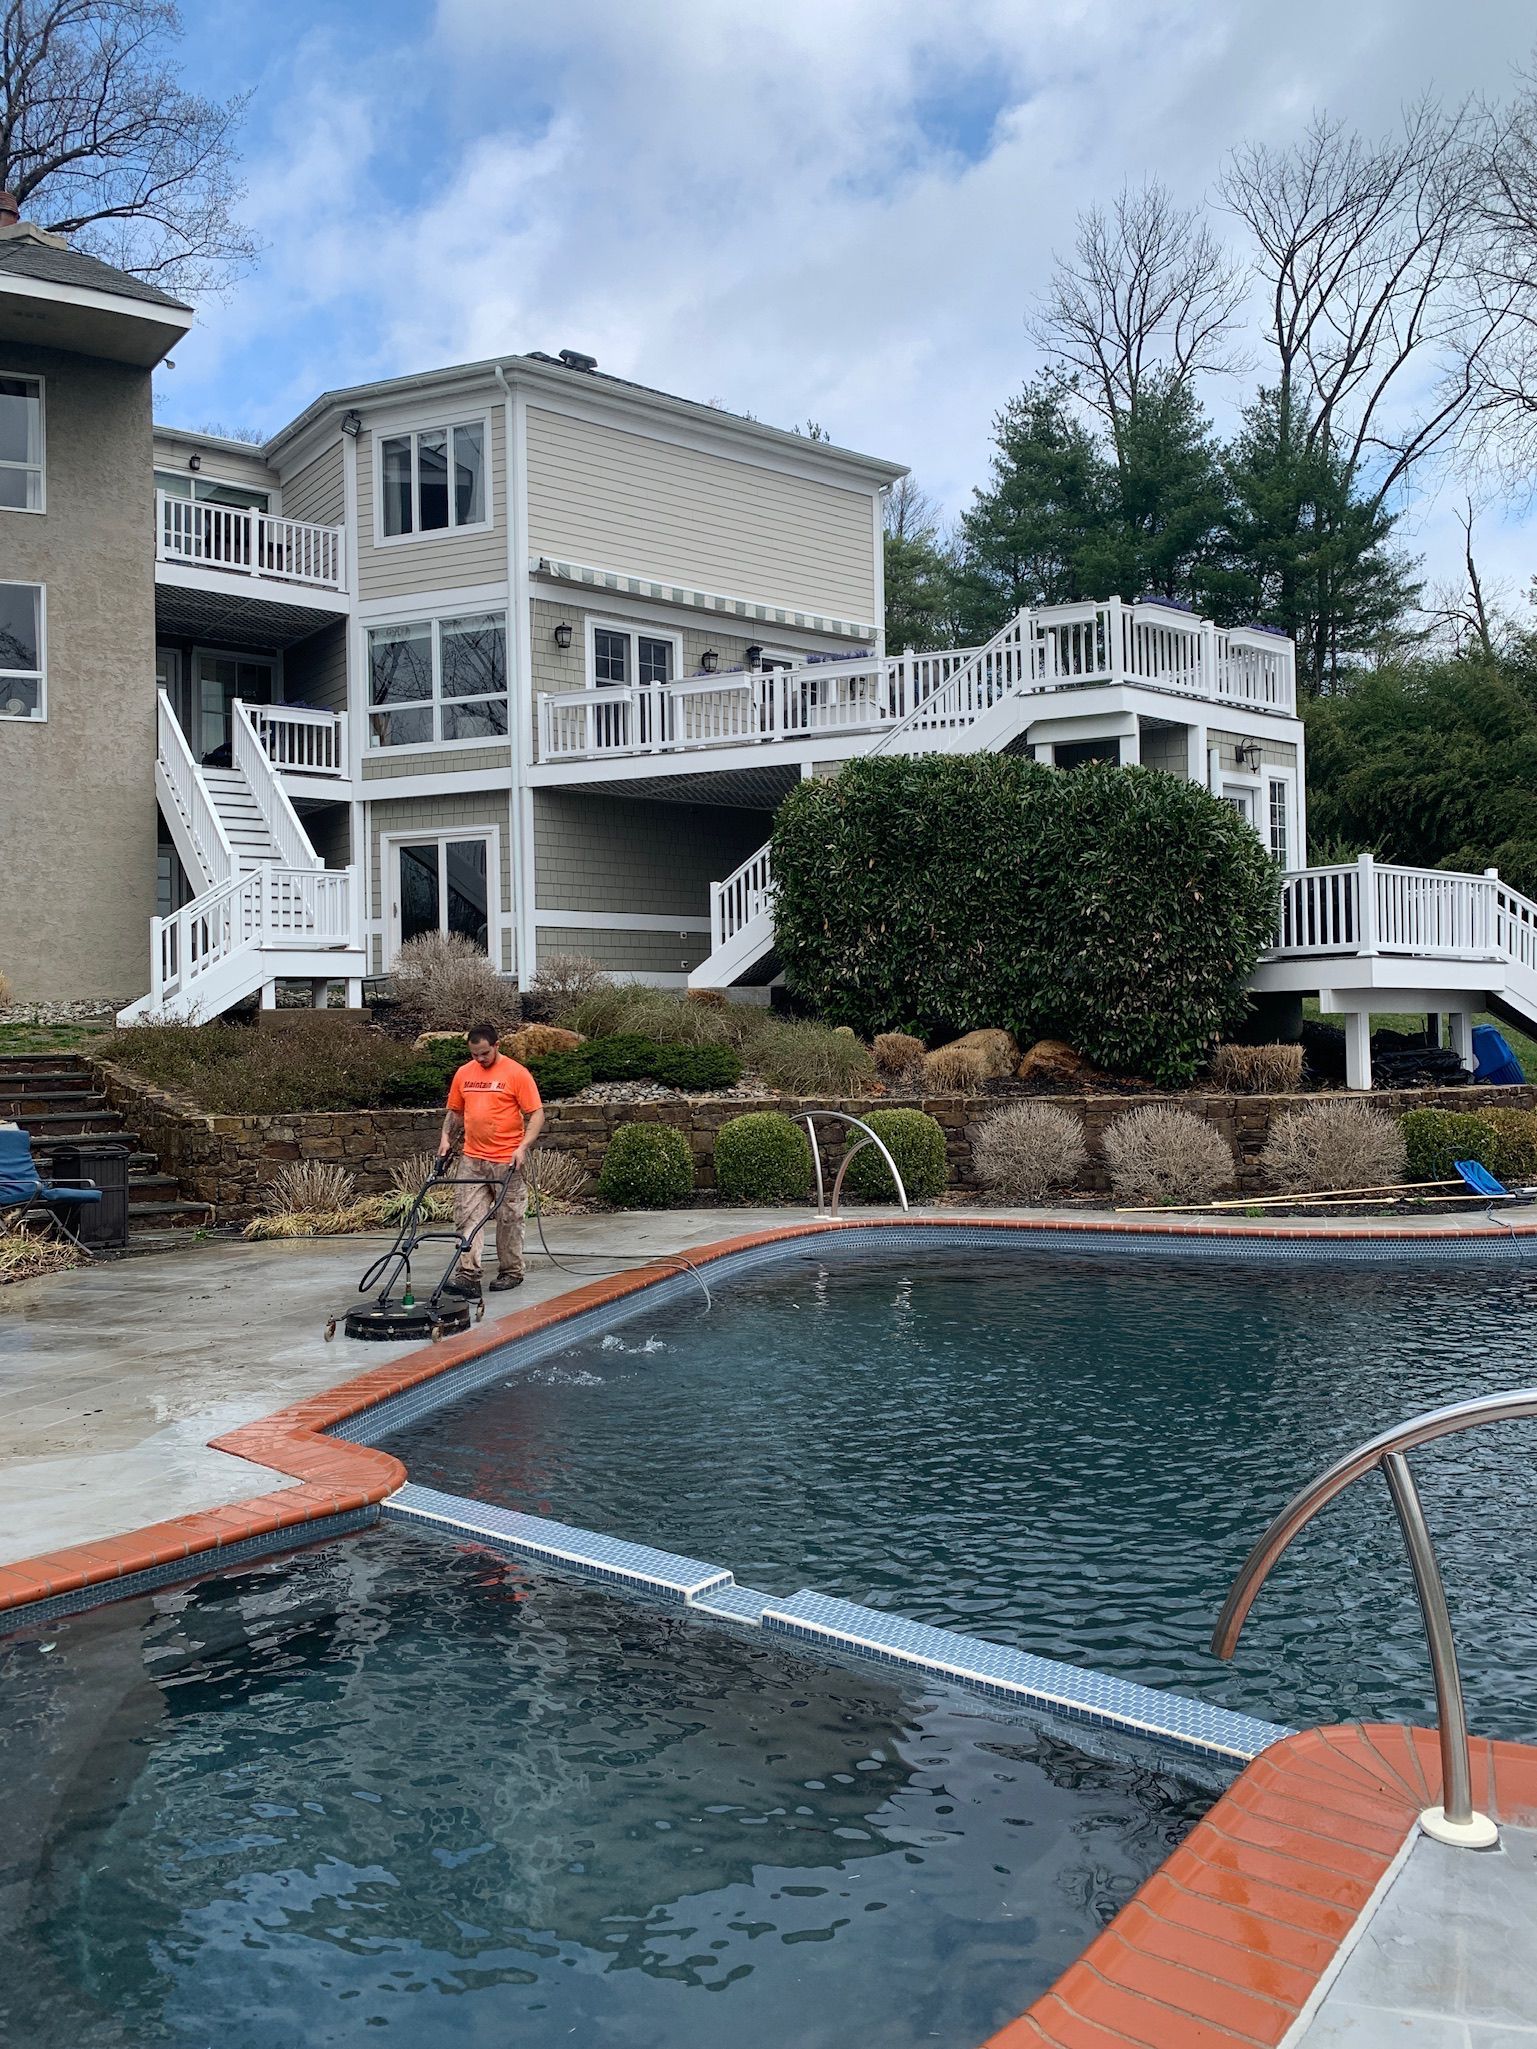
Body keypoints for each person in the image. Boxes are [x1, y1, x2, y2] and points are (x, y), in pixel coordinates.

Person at [437, 1023, 544, 1295]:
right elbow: (456, 1112)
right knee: (467, 1216)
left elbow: (536, 1114)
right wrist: (446, 1138)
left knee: (510, 1218)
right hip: (473, 1157)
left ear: (497, 1045)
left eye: (484, 1054)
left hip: (507, 1160)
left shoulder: (516, 1073)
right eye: (475, 1055)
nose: (480, 1059)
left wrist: (522, 1147)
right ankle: (468, 1275)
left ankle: (511, 1271)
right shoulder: (464, 1073)